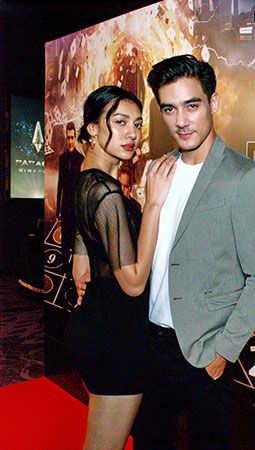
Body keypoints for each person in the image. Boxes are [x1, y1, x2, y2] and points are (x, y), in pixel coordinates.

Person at [132, 54, 255, 449]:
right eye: (169, 108)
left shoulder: (242, 176)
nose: (181, 120)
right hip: (150, 344)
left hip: (202, 352)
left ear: (213, 103)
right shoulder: (157, 169)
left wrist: (224, 352)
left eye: (192, 105)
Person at [63, 86, 176, 450]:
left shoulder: (87, 176)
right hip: (115, 339)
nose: (132, 133)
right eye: (120, 122)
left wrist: (85, 267)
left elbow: (82, 253)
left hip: (96, 325)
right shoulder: (108, 193)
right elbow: (134, 283)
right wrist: (154, 204)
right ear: (93, 128)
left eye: (137, 124)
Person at [56, 121, 84, 277]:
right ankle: (64, 267)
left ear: (75, 137)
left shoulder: (81, 158)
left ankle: (73, 268)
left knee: (75, 240)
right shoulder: (62, 158)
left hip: (76, 207)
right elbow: (60, 184)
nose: (70, 141)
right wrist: (57, 212)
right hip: (65, 206)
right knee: (65, 240)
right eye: (68, 138)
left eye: (72, 137)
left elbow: (81, 187)